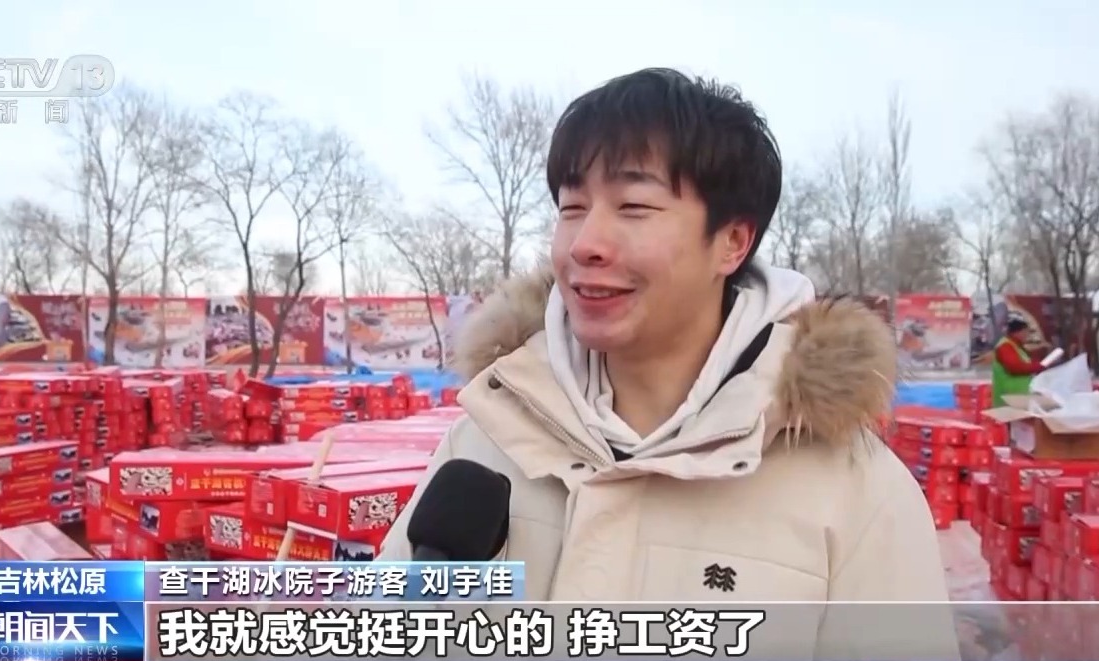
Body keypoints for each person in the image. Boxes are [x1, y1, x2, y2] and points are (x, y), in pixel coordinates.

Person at [379, 69, 958, 657]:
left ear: (732, 242)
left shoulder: (855, 491)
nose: (584, 244)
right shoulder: (484, 440)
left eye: (633, 206)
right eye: (572, 207)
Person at [992, 318, 1045, 407]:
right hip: (1009, 395)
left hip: (1018, 395)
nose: (1027, 335)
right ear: (1018, 332)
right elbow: (1014, 368)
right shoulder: (1005, 346)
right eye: (1026, 332)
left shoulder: (1016, 346)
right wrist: (1037, 366)